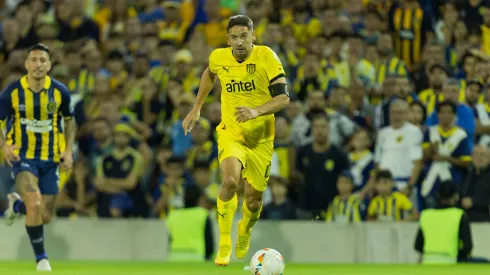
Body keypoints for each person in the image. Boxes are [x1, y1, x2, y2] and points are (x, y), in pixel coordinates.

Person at [182, 15, 289, 266]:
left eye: (244, 36)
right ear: (228, 39)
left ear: (253, 36)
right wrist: (196, 107)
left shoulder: (267, 57)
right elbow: (209, 75)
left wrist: (256, 111)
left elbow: (284, 99)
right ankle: (224, 243)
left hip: (261, 137)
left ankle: (245, 230)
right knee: (229, 181)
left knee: (254, 199)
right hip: (231, 132)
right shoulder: (219, 57)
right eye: (234, 37)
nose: (239, 42)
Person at [0, 43, 74, 271]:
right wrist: (5, 146)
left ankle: (16, 205)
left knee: (45, 215)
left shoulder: (60, 91)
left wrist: (68, 151)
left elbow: (70, 122)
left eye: (43, 60)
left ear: (49, 65)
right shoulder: (12, 92)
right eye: (34, 60)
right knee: (36, 202)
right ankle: (42, 259)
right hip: (23, 158)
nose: (38, 64)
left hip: (51, 159)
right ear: (26, 64)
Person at [414, 181, 473, 264]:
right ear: (456, 196)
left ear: (438, 196)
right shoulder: (459, 215)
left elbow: (418, 246)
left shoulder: (425, 215)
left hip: (428, 264)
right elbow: (467, 247)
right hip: (451, 263)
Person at [166, 184, 214, 262]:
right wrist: (208, 257)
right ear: (199, 199)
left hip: (175, 257)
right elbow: (208, 240)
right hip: (196, 257)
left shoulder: (173, 215)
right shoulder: (203, 214)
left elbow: (170, 240)